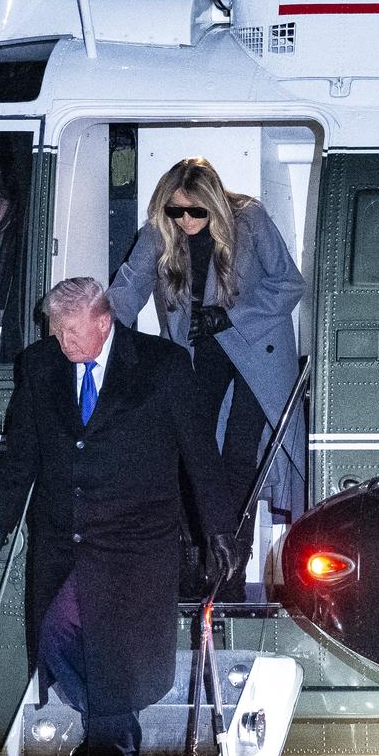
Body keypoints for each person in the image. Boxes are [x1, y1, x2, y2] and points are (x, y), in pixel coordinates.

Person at [0, 277, 221, 756]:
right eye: (54, 331)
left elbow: (200, 454)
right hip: (65, 541)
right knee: (54, 641)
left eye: (67, 332)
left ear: (103, 322)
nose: (59, 342)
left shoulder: (163, 365)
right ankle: (105, 724)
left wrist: (216, 531)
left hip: (134, 545)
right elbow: (21, 455)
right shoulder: (40, 366)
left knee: (109, 656)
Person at [109, 158, 306, 547]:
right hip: (198, 352)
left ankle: (231, 561)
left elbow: (289, 283)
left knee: (240, 450)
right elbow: (129, 287)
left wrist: (231, 317)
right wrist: (97, 332)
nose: (185, 219)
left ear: (213, 203)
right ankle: (200, 552)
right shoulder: (159, 233)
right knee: (194, 450)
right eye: (175, 209)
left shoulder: (249, 219)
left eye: (195, 210)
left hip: (256, 349)